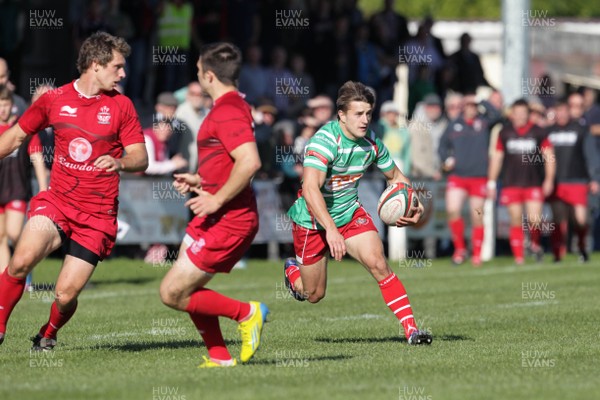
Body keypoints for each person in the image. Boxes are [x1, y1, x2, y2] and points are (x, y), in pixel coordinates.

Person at [0, 32, 148, 348]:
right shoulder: (54, 100)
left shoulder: (122, 105)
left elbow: (141, 157)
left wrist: (121, 162)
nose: (123, 74)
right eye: (118, 67)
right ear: (95, 65)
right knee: (21, 260)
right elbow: (14, 137)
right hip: (58, 202)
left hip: (97, 215)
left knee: (65, 295)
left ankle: (48, 334)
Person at [283, 81, 432, 345]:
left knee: (379, 264)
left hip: (350, 213)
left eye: (368, 114)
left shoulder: (371, 141)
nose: (365, 120)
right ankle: (293, 272)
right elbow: (310, 189)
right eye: (358, 114)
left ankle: (412, 330)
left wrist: (414, 203)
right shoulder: (325, 142)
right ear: (341, 115)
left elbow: (397, 176)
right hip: (312, 220)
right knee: (314, 294)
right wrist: (330, 230)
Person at [159, 42, 269, 368]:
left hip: (229, 218)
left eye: (196, 72)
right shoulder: (232, 105)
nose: (196, 78)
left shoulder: (228, 110)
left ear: (209, 76)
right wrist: (199, 180)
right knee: (188, 290)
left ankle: (248, 313)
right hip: (214, 214)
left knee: (172, 293)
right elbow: (228, 160)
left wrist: (217, 198)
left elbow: (249, 162)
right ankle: (219, 356)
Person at [487, 99, 556, 264]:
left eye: (523, 113)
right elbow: (497, 158)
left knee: (535, 219)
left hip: (533, 183)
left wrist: (549, 179)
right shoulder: (504, 132)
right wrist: (491, 182)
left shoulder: (538, 132)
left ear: (528, 114)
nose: (519, 117)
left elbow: (549, 156)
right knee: (515, 219)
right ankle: (519, 257)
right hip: (511, 183)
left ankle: (534, 244)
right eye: (516, 113)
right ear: (512, 114)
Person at [0, 86, 48, 289]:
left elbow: (37, 159)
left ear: (12, 106)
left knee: (13, 233)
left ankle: (25, 265)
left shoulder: (21, 129)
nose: (2, 109)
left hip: (17, 187)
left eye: (5, 105)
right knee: (0, 237)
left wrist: (44, 190)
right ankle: (5, 281)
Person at [438, 95, 491, 266]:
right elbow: (442, 145)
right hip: (458, 176)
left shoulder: (484, 122)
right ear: (463, 107)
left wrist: (482, 100)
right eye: (468, 104)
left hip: (479, 177)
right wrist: (446, 159)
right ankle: (460, 250)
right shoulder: (454, 125)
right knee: (453, 210)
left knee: (477, 216)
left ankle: (476, 253)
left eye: (474, 105)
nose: (471, 108)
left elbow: (498, 114)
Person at [546, 100, 600, 262]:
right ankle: (558, 252)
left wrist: (594, 178)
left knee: (581, 219)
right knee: (558, 219)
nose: (561, 114)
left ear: (569, 112)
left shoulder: (580, 130)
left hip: (577, 179)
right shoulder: (548, 132)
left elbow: (590, 155)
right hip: (557, 181)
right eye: (558, 111)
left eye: (564, 110)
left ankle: (582, 248)